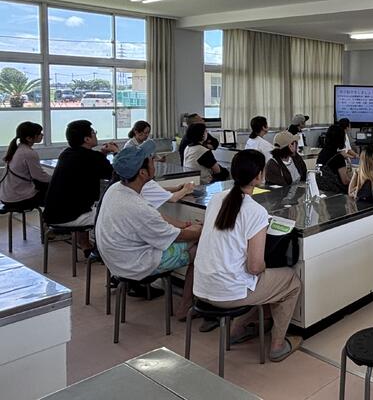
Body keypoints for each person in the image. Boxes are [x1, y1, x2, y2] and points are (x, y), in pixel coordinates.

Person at [194, 150, 302, 361]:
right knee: (290, 281)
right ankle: (278, 346)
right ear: (258, 176)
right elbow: (254, 267)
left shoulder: (216, 199)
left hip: (201, 286)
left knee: (259, 282)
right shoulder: (255, 211)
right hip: (227, 293)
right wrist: (265, 267)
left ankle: (237, 330)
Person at [96, 140, 202, 315]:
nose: (155, 162)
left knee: (191, 237)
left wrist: (184, 225)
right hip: (133, 264)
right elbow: (176, 236)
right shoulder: (137, 207)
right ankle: (186, 306)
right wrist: (199, 230)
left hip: (115, 259)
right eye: (151, 160)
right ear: (143, 172)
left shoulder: (117, 189)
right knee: (199, 249)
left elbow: (155, 217)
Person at [44, 120, 118, 249]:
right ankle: (103, 251)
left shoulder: (66, 153)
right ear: (87, 139)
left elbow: (89, 162)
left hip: (52, 215)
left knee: (83, 203)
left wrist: (103, 154)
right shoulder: (93, 157)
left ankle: (85, 245)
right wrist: (116, 152)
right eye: (93, 133)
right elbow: (118, 173)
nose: (95, 135)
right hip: (71, 217)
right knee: (116, 214)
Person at [0, 121, 50, 209]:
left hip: (5, 197)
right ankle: (51, 216)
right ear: (29, 138)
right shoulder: (28, 153)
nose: (42, 135)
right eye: (39, 134)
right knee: (55, 190)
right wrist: (56, 178)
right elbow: (39, 176)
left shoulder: (16, 149)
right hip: (19, 200)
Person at [316, 124, 350, 193]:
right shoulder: (338, 158)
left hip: (323, 190)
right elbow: (345, 181)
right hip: (337, 192)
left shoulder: (322, 153)